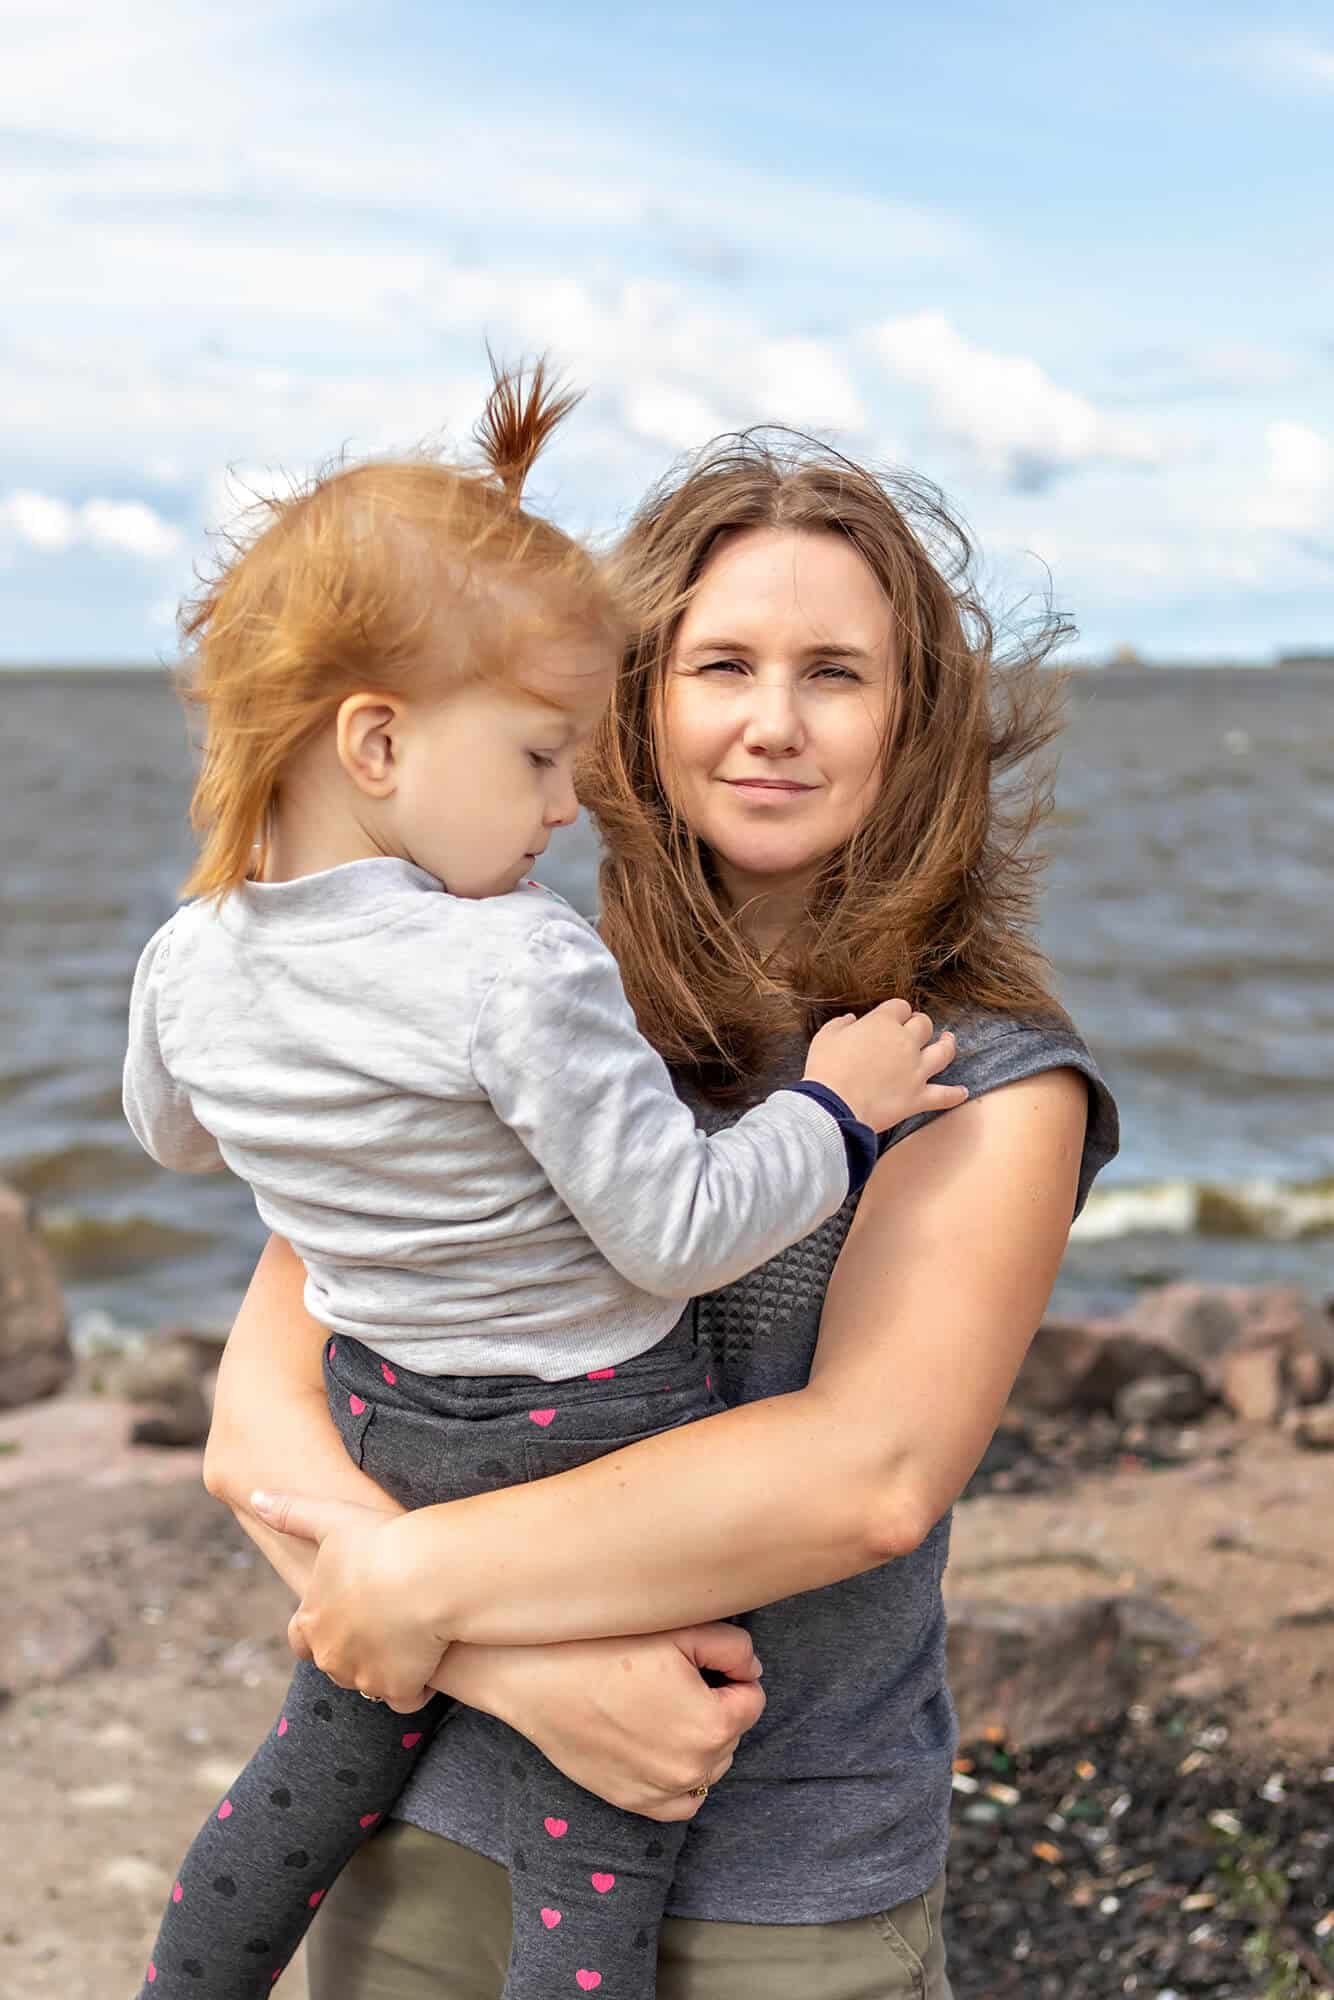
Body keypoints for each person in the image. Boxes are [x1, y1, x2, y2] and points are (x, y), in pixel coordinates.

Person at [209, 427, 1120, 2000]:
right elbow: (260, 1407)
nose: (772, 724)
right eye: (721, 666)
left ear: (911, 725)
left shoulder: (981, 1075)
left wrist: (418, 1588)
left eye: (835, 672)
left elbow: (863, 1477)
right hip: (420, 1824)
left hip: (775, 1894)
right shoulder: (494, 994)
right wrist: (514, 1665)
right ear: (635, 703)